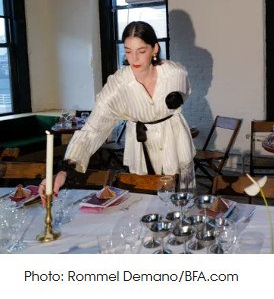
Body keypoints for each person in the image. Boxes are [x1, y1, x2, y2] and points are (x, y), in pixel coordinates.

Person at [39, 21, 195, 200]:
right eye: (128, 51)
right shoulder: (118, 85)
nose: (134, 59)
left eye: (141, 51)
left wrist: (176, 99)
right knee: (145, 203)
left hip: (175, 144)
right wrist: (65, 170)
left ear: (155, 48)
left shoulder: (176, 73)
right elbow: (93, 128)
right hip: (141, 149)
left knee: (182, 203)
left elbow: (186, 90)